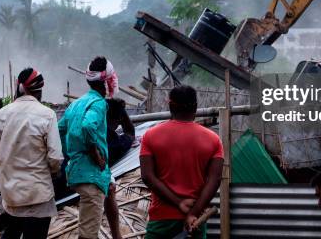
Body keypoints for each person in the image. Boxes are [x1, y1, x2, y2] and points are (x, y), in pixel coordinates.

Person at [0, 68, 64, 239]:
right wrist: (51, 172)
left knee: (11, 232)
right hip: (39, 194)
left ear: (20, 87)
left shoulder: (2, 114)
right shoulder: (47, 114)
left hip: (11, 195)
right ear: (40, 90)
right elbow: (56, 158)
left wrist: (6, 173)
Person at [140, 85, 223, 239]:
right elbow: (215, 179)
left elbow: (147, 176)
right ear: (196, 107)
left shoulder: (150, 136)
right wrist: (194, 212)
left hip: (161, 219)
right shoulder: (213, 139)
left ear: (170, 106)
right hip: (196, 221)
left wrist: (178, 202)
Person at [58, 56, 112, 239]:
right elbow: (88, 126)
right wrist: (95, 154)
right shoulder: (98, 103)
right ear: (105, 81)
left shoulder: (76, 103)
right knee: (88, 235)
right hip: (91, 174)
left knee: (86, 229)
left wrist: (70, 154)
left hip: (76, 171)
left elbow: (60, 129)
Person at [105, 97, 136, 239]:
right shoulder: (112, 142)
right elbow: (130, 133)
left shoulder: (80, 131)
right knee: (109, 186)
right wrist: (123, 114)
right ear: (118, 120)